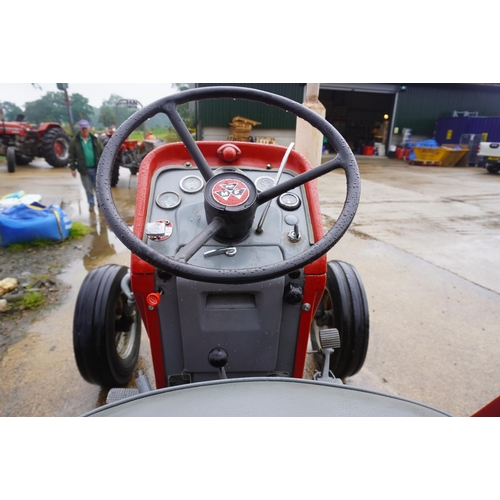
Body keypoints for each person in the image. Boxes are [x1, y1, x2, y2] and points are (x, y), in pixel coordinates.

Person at [68, 119, 103, 212]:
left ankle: (101, 205)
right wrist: (73, 168)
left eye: (86, 128)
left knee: (99, 189)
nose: (84, 130)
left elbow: (102, 153)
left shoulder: (95, 140)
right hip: (84, 169)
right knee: (88, 190)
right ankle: (91, 204)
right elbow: (71, 155)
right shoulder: (74, 141)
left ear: (89, 128)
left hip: (97, 169)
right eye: (82, 128)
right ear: (79, 129)